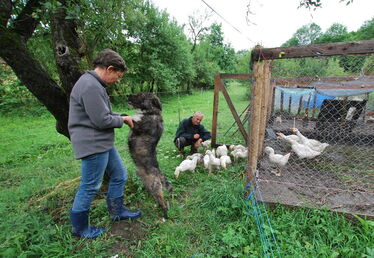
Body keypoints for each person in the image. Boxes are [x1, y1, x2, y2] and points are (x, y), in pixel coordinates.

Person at [68, 49, 141, 239]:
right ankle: (80, 228)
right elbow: (102, 121)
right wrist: (123, 120)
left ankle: (117, 212)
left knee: (119, 174)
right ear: (109, 69)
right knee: (90, 185)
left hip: (102, 142)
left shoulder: (94, 84)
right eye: (118, 76)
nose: (118, 80)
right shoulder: (90, 86)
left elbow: (102, 114)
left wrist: (122, 116)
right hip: (93, 144)